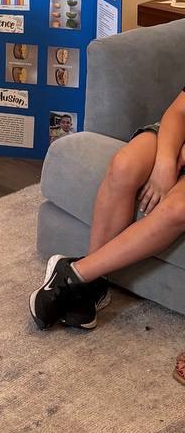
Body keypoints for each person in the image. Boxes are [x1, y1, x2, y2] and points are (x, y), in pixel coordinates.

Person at [30, 87, 185, 340]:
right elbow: (179, 111)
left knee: (177, 209)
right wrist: (166, 164)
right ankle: (93, 287)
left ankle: (75, 274)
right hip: (177, 135)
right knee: (124, 166)